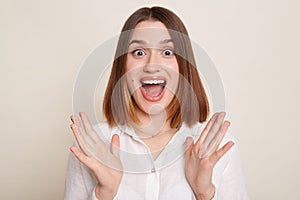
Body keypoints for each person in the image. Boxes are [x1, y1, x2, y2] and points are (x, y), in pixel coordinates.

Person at [64, 6, 248, 200]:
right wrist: (104, 194)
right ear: (122, 68)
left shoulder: (218, 146)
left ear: (183, 67)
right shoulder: (92, 145)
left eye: (167, 52)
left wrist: (204, 194)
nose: (152, 65)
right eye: (139, 52)